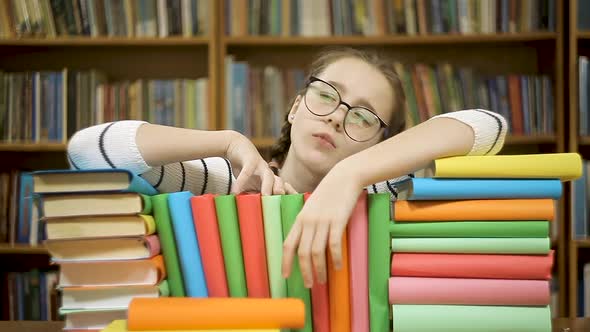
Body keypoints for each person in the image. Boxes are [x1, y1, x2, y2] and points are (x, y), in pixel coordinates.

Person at [67, 47, 507, 290]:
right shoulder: (227, 181)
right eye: (326, 95)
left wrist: (349, 175)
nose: (337, 116)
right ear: (296, 107)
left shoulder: (382, 193)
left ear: (379, 144)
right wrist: (226, 141)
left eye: (363, 116)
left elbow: (488, 127)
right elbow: (88, 151)